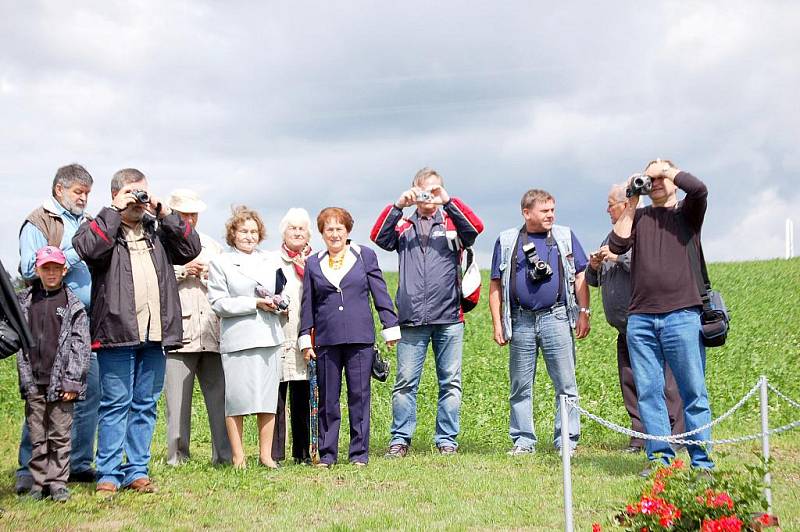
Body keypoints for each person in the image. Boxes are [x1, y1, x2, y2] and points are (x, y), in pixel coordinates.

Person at [73, 168, 201, 496]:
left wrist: (165, 211)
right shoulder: (100, 226)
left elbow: (191, 247)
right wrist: (114, 211)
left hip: (155, 331)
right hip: (117, 330)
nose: (137, 199)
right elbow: (88, 249)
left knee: (145, 403)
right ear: (116, 194)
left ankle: (137, 470)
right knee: (116, 403)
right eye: (131, 193)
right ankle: (109, 473)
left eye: (141, 192)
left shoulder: (158, 230)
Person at [608, 159, 714, 474]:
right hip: (640, 319)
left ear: (672, 178)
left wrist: (664, 170)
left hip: (682, 314)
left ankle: (701, 462)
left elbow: (699, 188)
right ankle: (660, 460)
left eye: (660, 176)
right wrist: (631, 199)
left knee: (692, 390)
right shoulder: (638, 217)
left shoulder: (687, 213)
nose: (654, 181)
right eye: (648, 177)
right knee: (650, 392)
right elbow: (617, 243)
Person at [371, 167, 483, 457]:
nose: (428, 196)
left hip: (448, 317)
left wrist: (448, 201)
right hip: (411, 318)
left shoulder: (451, 221)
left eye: (434, 191)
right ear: (413, 191)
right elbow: (378, 237)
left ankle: (446, 440)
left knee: (451, 382)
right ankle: (400, 440)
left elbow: (475, 229)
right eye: (424, 191)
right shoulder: (403, 226)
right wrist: (397, 206)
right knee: (405, 383)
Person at [488, 189, 591, 456]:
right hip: (520, 320)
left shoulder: (564, 236)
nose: (551, 216)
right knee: (520, 384)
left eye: (553, 210)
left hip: (556, 317)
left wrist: (584, 311)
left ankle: (567, 441)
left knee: (566, 384)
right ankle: (523, 441)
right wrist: (498, 323)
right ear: (527, 212)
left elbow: (581, 274)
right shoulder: (507, 240)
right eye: (545, 211)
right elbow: (495, 285)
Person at [17, 163, 100, 493]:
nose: (83, 198)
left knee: (88, 392)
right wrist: (74, 253)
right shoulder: (38, 221)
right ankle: (28, 470)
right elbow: (26, 267)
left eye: (87, 193)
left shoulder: (89, 223)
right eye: (78, 192)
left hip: (85, 320)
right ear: (59, 191)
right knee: (40, 397)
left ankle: (77, 465)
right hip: (47, 317)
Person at [586, 184, 685, 453]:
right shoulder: (612, 234)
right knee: (631, 381)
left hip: (648, 322)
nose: (607, 210)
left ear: (626, 203)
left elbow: (651, 266)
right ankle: (640, 435)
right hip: (624, 326)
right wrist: (594, 266)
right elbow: (594, 280)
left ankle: (676, 436)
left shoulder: (644, 227)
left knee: (664, 383)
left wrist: (616, 257)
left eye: (610, 204)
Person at [300, 207, 399, 467]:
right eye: (329, 229)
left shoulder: (365, 255)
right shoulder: (312, 262)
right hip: (326, 340)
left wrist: (390, 325)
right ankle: (328, 454)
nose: (334, 234)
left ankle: (358, 454)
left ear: (348, 231)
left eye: (339, 228)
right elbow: (307, 304)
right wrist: (305, 339)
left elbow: (380, 292)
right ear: (322, 233)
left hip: (360, 338)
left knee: (359, 396)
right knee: (328, 400)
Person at [206, 206, 284, 469]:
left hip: (269, 336)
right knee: (237, 399)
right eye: (243, 231)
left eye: (253, 231)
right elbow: (218, 303)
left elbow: (283, 292)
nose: (249, 236)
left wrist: (281, 303)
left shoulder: (272, 260)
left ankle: (266, 455)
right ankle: (239, 457)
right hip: (239, 338)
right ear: (233, 234)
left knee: (267, 398)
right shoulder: (221, 262)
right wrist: (254, 303)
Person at [16, 246, 91, 502]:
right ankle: (37, 484)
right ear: (37, 270)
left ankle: (58, 482)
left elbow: (80, 348)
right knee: (37, 435)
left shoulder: (74, 306)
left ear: (64, 269)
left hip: (62, 384)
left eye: (55, 268)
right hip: (34, 381)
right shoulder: (24, 302)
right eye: (46, 268)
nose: (51, 273)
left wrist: (72, 381)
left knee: (60, 434)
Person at [163, 189, 231, 466]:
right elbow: (156, 281)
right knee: (177, 402)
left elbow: (228, 281)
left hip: (211, 330)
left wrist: (208, 273)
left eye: (193, 214)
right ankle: (178, 456)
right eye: (184, 214)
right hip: (180, 332)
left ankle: (224, 455)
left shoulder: (212, 245)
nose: (189, 219)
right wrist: (183, 271)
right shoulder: (161, 244)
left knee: (220, 399)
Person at [271, 208, 313, 465]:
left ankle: (302, 452)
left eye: (301, 228)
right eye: (292, 228)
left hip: (305, 334)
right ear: (283, 233)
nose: (297, 232)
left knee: (302, 395)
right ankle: (274, 453)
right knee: (275, 396)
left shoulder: (317, 261)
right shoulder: (272, 260)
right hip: (278, 332)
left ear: (308, 234)